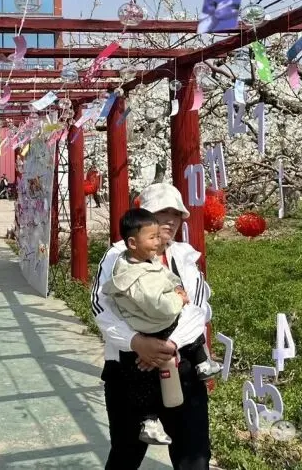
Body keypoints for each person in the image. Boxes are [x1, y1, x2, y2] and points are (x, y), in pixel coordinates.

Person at [92, 183, 214, 470]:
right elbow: (101, 306)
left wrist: (167, 346)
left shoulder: (185, 257)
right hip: (129, 368)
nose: (170, 220)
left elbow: (197, 308)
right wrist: (136, 342)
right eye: (162, 213)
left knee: (194, 455)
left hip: (181, 366)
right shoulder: (117, 256)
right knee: (125, 454)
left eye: (176, 213)